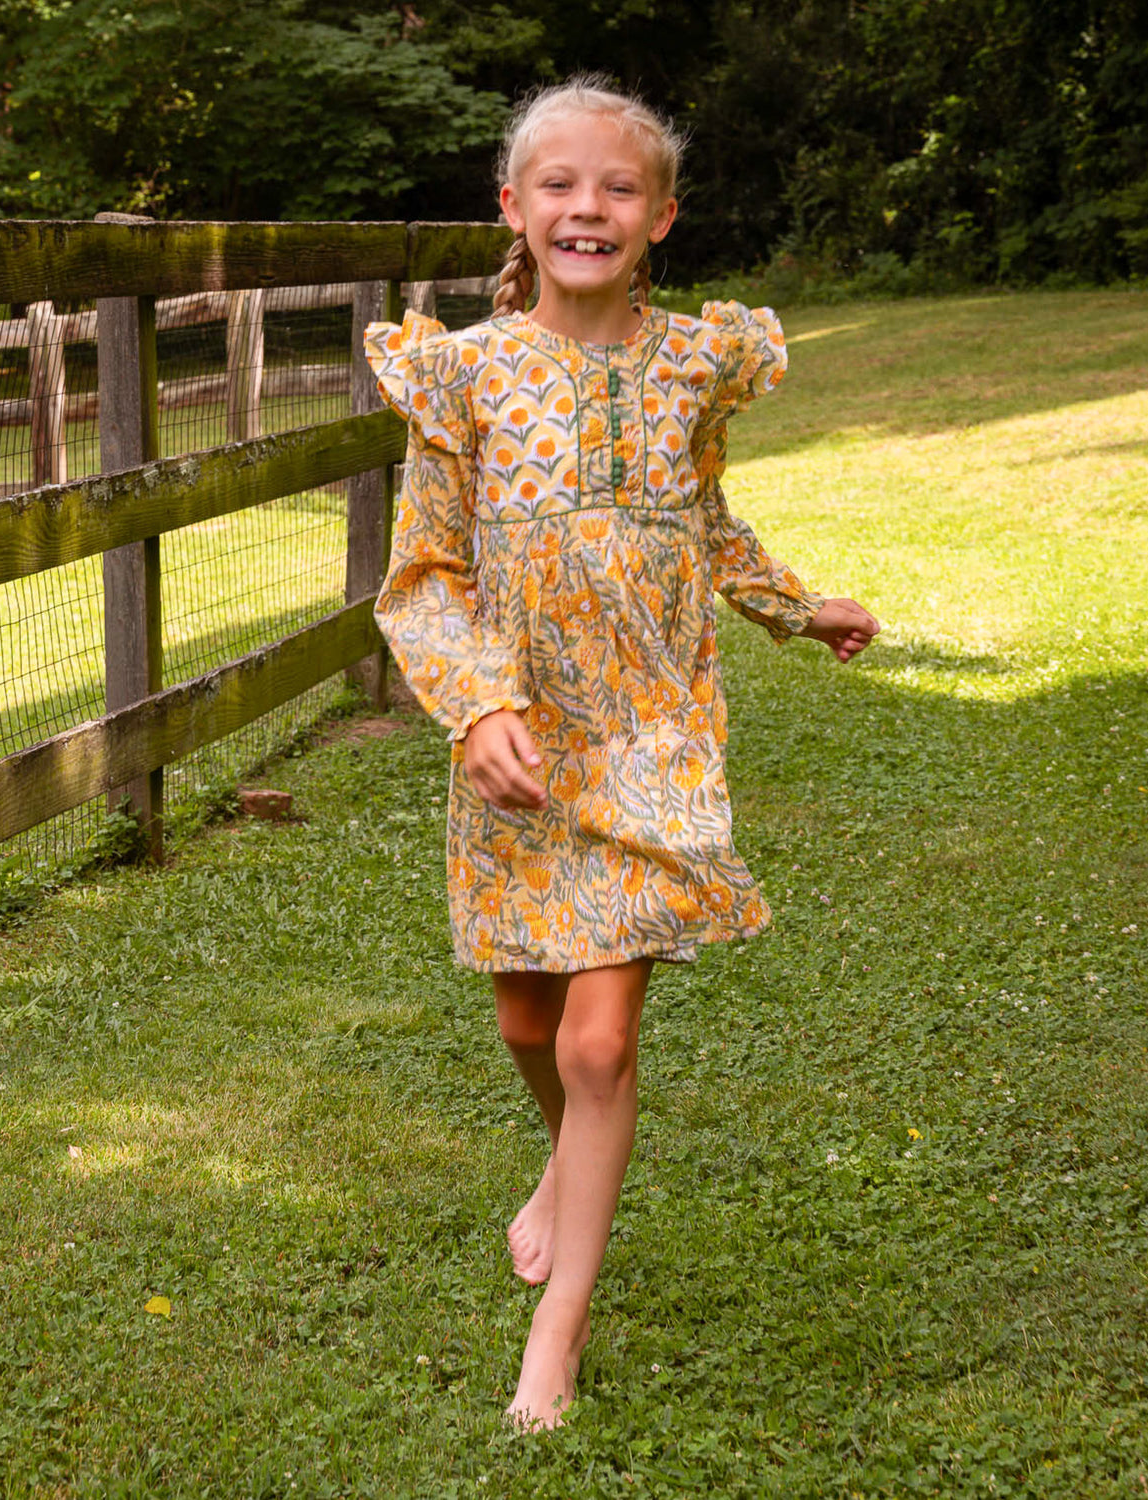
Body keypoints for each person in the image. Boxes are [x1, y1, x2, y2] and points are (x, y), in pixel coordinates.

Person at [365, 76, 879, 1431]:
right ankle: (563, 1175)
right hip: (525, 743)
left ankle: (559, 1332)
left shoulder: (696, 363)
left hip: (654, 731)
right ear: (515, 210)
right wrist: (477, 709)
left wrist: (791, 602)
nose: (586, 207)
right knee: (527, 1022)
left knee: (598, 1046)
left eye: (617, 188)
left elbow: (700, 521)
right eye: (559, 186)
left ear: (660, 215)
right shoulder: (462, 375)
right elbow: (422, 576)